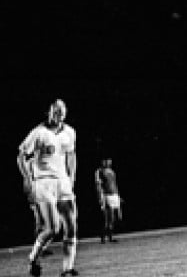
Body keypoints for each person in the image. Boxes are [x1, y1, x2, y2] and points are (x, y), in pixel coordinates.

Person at [17, 98, 79, 277]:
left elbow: (71, 154)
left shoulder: (70, 132)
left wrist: (71, 177)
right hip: (44, 182)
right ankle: (33, 258)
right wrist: (28, 179)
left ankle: (67, 269)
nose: (59, 114)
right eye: (55, 111)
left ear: (65, 113)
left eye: (62, 111)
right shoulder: (38, 132)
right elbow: (21, 155)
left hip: (63, 183)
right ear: (49, 112)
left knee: (71, 226)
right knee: (53, 229)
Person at [94, 158, 122, 242]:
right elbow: (98, 185)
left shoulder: (111, 171)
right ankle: (106, 237)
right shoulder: (99, 171)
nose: (108, 162)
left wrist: (118, 195)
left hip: (114, 195)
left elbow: (114, 184)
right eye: (106, 160)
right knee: (109, 218)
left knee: (117, 218)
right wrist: (100, 197)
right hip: (107, 195)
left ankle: (107, 235)